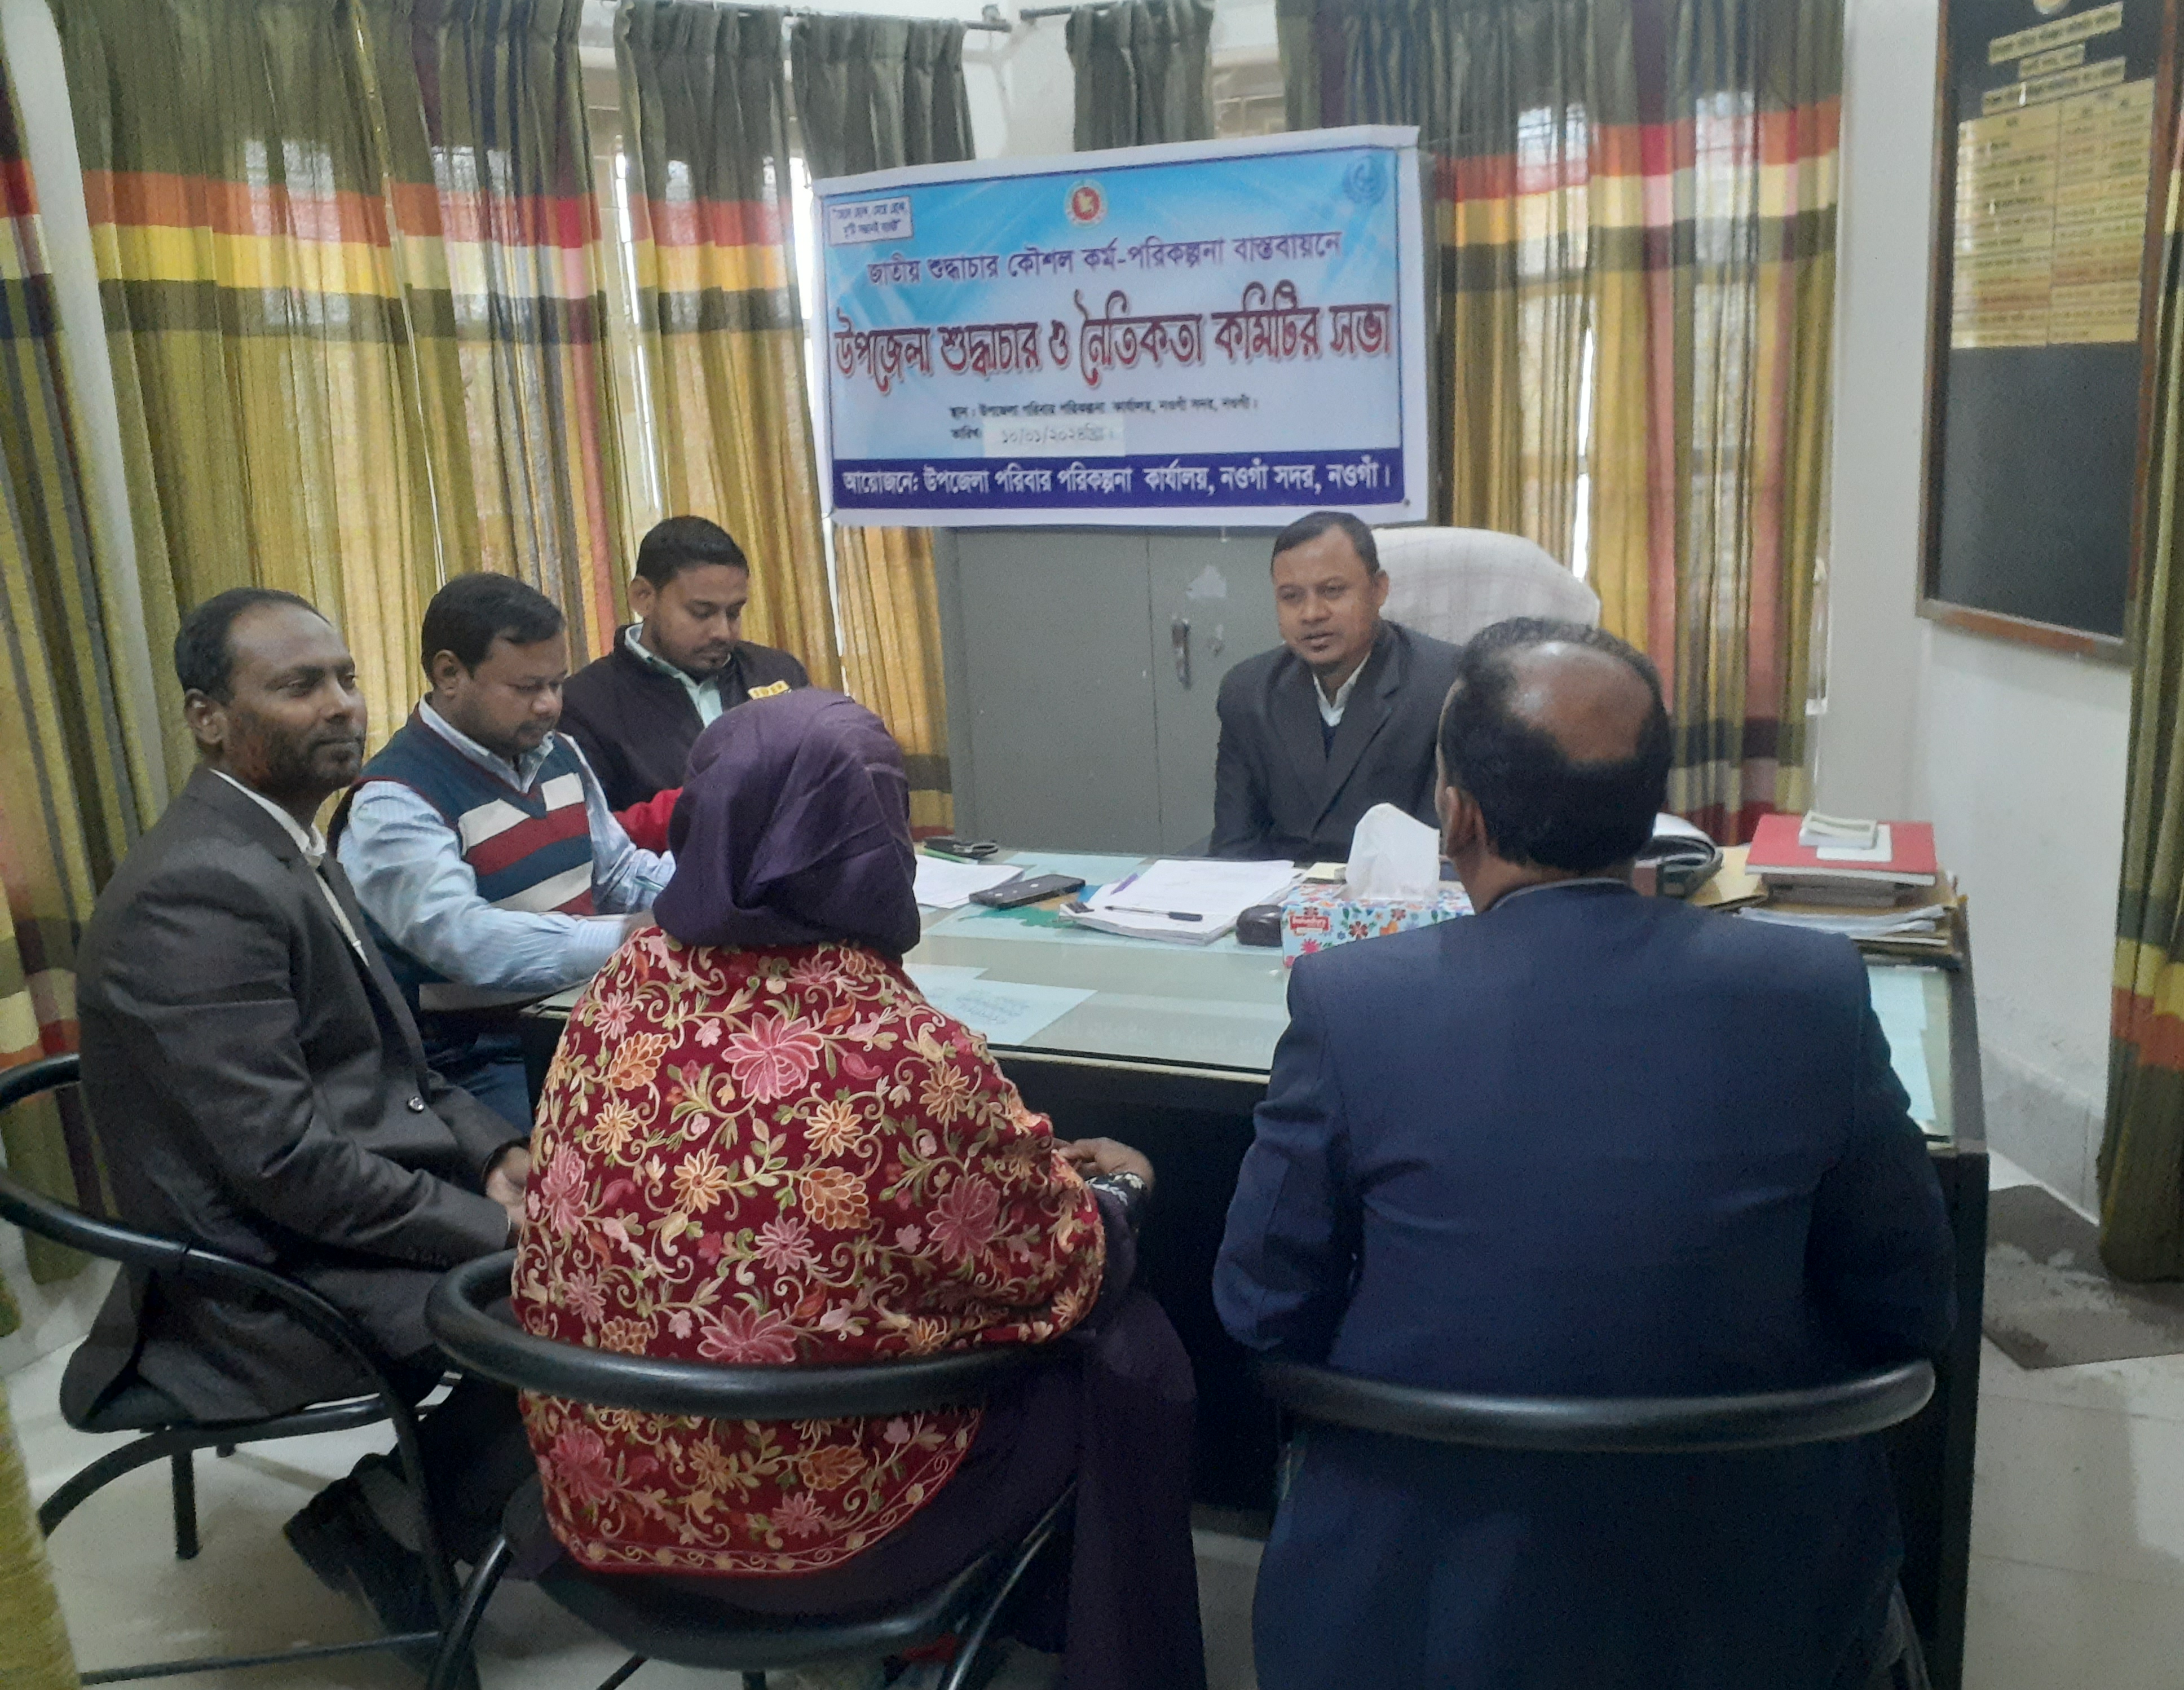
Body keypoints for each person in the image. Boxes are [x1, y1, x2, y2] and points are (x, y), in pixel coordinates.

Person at [1214, 617, 1957, 1690]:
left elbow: (1261, 1308)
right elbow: (1909, 1305)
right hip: (1753, 1592)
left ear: (1456, 813)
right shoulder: (1813, 991)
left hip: (1417, 1591)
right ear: (1654, 815)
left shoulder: (1352, 1002)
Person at [516, 690, 1206, 1690]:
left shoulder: (617, 991)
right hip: (826, 1539)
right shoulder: (901, 1051)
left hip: (602, 1487)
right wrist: (1123, 1193)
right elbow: (1064, 1268)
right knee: (1128, 1342)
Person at [67, 587, 536, 1639]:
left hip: (322, 1216)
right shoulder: (197, 889)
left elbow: (397, 1069)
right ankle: (395, 1519)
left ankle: (429, 1501)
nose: (341, 705)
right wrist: (498, 1227)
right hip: (257, 1277)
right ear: (207, 717)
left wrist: (494, 1153)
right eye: (297, 686)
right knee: (593, 1297)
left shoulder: (281, 843)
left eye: (346, 678)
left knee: (613, 1237)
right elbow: (282, 1165)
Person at [336, 573, 672, 1128]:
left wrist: (710, 892)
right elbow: (465, 940)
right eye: (526, 688)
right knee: (596, 1146)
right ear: (449, 674)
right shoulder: (395, 799)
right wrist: (625, 936)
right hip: (475, 1060)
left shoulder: (560, 753)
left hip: (587, 1015)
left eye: (557, 684)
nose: (549, 705)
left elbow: (617, 874)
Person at [1210, 510, 1459, 863]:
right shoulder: (1248, 692)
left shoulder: (1446, 684)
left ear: (1379, 589)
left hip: (1396, 891)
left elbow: (1453, 852)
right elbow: (1233, 850)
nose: (1312, 614)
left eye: (1332, 591)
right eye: (1291, 597)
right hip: (1279, 892)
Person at [558, 514, 810, 848]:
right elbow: (596, 842)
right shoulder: (584, 704)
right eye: (702, 613)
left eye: (734, 612)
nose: (723, 632)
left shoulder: (777, 671)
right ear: (643, 597)